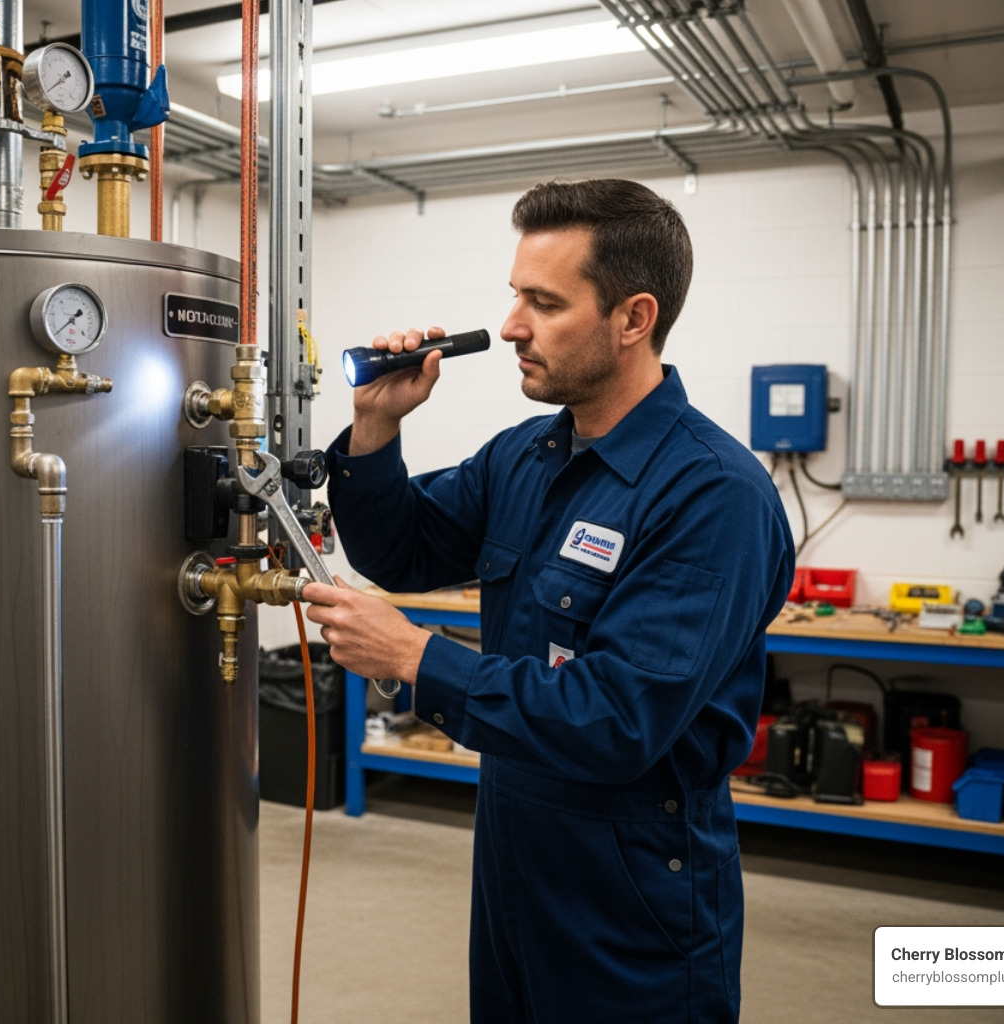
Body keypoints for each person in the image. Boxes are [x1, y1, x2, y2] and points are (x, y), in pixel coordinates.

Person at [303, 178, 794, 1023]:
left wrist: (416, 658)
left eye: (544, 302)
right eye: (514, 297)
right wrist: (377, 428)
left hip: (632, 899)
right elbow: (402, 549)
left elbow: (616, 719)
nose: (511, 328)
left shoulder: (713, 497)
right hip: (515, 862)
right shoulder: (527, 455)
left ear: (633, 318)